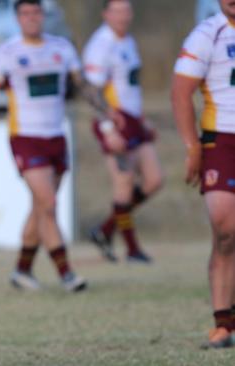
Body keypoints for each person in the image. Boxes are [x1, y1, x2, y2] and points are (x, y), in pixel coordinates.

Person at [0, 0, 88, 293]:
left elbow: (82, 86)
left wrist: (107, 117)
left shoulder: (62, 48)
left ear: (43, 16)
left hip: (57, 136)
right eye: (25, 13)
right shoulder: (6, 53)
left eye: (36, 13)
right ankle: (67, 274)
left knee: (40, 207)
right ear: (17, 18)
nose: (31, 18)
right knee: (49, 204)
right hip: (25, 139)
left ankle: (22, 270)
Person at [172, 0, 235, 349]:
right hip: (220, 140)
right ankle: (222, 322)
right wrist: (193, 146)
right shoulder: (206, 35)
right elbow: (180, 94)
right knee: (225, 226)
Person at [83, 0, 164, 263]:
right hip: (114, 122)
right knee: (124, 183)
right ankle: (132, 250)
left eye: (126, 10)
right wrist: (108, 128)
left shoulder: (128, 41)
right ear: (105, 14)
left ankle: (105, 229)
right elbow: (92, 92)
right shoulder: (100, 45)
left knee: (154, 180)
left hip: (133, 121)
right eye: (116, 10)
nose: (122, 16)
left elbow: (130, 87)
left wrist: (142, 119)